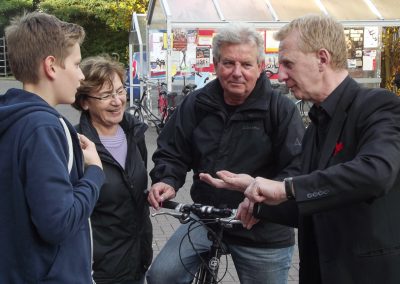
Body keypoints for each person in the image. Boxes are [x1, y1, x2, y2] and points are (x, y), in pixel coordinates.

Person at [200, 14, 400, 284]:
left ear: (322, 58)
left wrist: (286, 188)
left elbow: (376, 173)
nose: (280, 75)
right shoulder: (316, 125)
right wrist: (255, 198)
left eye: (287, 64)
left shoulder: (378, 105)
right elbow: (315, 203)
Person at [146, 24, 305, 284]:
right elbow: (172, 149)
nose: (237, 73)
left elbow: (297, 167)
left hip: (262, 225)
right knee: (162, 276)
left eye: (246, 64)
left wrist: (262, 202)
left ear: (261, 66)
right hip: (208, 217)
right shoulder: (197, 103)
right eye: (228, 63)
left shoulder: (280, 110)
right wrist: (167, 179)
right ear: (216, 64)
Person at [0, 12, 105, 283]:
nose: (82, 76)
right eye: (77, 64)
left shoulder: (11, 118)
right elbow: (58, 223)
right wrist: (94, 171)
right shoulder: (43, 128)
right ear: (51, 66)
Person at [72, 55, 152, 284]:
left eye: (120, 91)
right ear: (85, 101)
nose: (117, 101)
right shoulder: (77, 145)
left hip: (138, 260)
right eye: (106, 95)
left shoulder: (135, 134)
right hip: (99, 270)